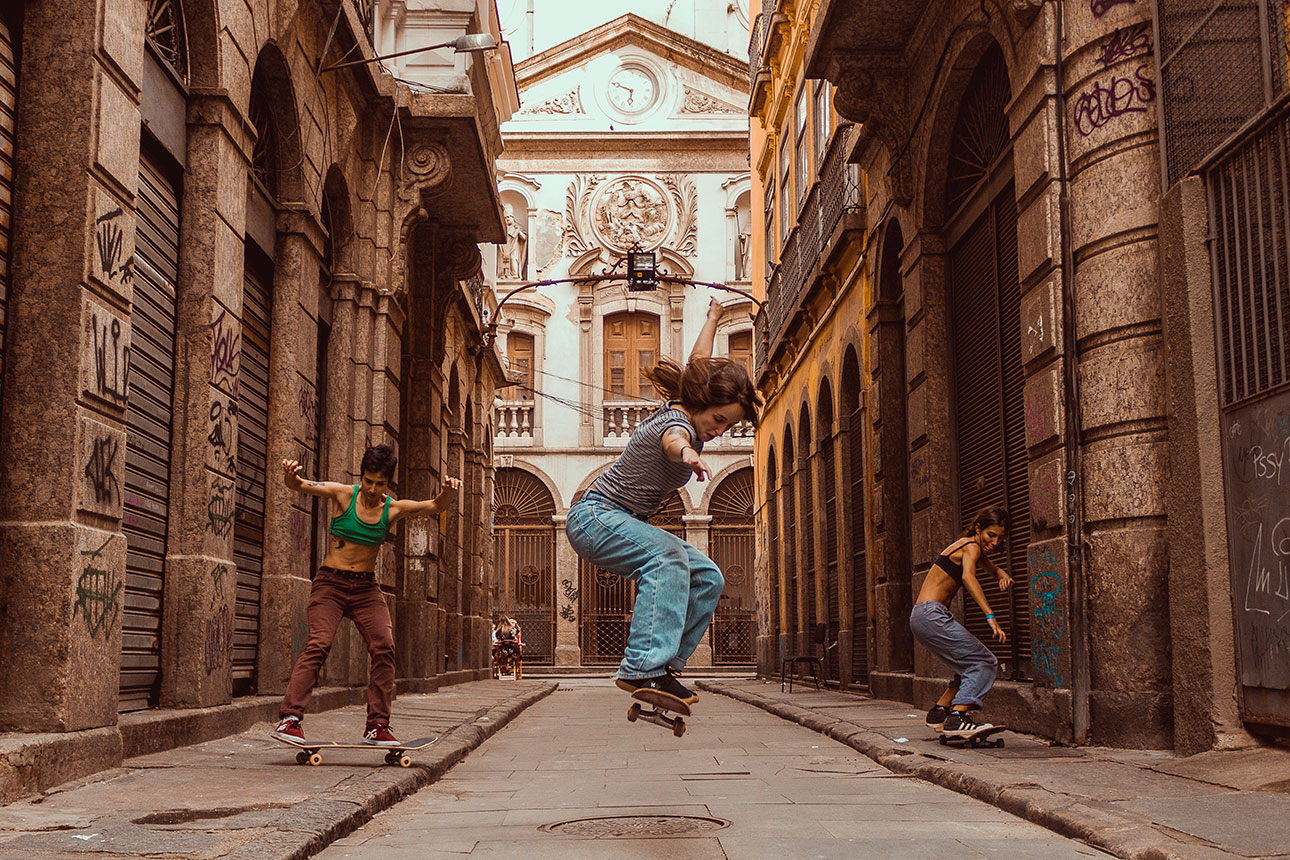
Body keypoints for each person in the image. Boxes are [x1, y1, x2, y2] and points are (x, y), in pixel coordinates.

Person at [566, 298, 762, 704]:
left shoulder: (686, 401)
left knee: (708, 577)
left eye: (728, 424)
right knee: (668, 556)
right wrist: (687, 454)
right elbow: (673, 442)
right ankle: (641, 666)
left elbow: (698, 361)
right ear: (701, 406)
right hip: (594, 517)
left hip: (616, 520)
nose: (720, 431)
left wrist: (712, 317)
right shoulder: (678, 425)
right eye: (719, 420)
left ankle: (666, 665)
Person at [272, 444, 460, 746]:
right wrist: (291, 475)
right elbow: (300, 485)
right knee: (319, 643)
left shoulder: (392, 508)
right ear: (362, 477)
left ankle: (377, 726)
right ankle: (290, 719)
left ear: (389, 483)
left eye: (380, 484)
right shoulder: (343, 494)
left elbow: (434, 506)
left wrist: (449, 491)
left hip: (366, 588)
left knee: (384, 647)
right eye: (368, 481)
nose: (372, 489)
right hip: (330, 584)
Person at [910, 506, 1013, 739]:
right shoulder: (972, 546)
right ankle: (958, 718)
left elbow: (990, 567)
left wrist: (1001, 575)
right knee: (984, 661)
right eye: (991, 535)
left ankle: (940, 712)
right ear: (979, 528)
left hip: (923, 616)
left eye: (1000, 538)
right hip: (932, 615)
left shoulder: (968, 545)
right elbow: (968, 576)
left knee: (966, 665)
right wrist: (991, 617)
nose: (995, 542)